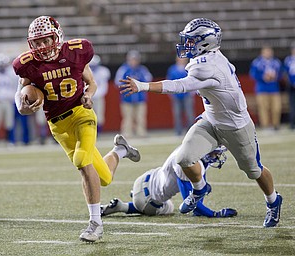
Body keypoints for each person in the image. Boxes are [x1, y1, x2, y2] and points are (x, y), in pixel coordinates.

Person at [119, 18, 282, 228]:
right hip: (211, 120)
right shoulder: (207, 58)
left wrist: (143, 86)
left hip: (236, 126)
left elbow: (179, 86)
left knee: (254, 170)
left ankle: (273, 201)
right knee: (184, 158)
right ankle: (199, 189)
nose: (186, 45)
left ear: (205, 43)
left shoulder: (209, 66)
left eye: (191, 40)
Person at [12, 16, 141, 242]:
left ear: (57, 36)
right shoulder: (27, 64)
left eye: (46, 40)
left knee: (82, 162)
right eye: (37, 42)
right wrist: (23, 107)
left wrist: (88, 97)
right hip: (58, 125)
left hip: (82, 115)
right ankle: (120, 151)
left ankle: (95, 224)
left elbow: (91, 83)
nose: (42, 46)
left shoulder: (76, 51)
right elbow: (19, 94)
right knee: (104, 178)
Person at [101, 144, 237, 218]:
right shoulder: (187, 162)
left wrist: (203, 187)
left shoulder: (190, 150)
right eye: (215, 153)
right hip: (148, 198)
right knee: (169, 207)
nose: (217, 156)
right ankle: (127, 206)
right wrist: (214, 214)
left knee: (166, 196)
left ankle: (121, 205)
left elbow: (198, 185)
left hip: (145, 179)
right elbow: (190, 205)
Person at [114, 50, 153, 138]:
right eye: (132, 59)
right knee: (127, 117)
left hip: (140, 98)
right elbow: (117, 82)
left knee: (140, 117)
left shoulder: (142, 69)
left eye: (135, 59)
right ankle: (127, 133)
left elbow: (149, 80)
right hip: (127, 98)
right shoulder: (123, 69)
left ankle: (141, 132)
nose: (134, 61)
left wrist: (139, 83)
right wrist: (128, 84)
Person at [249, 46, 283, 131]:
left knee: (277, 108)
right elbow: (252, 74)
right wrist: (263, 77)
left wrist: (276, 77)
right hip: (262, 89)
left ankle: (276, 125)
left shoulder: (276, 62)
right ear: (262, 53)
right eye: (266, 51)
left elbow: (281, 74)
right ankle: (266, 126)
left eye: (269, 51)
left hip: (274, 89)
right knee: (263, 109)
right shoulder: (257, 62)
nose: (268, 53)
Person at [167, 56, 195, 135]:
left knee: (189, 114)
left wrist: (192, 92)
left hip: (187, 95)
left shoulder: (189, 68)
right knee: (177, 114)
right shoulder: (172, 69)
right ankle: (178, 131)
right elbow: (169, 82)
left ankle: (190, 131)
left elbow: (193, 81)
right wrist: (171, 94)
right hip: (176, 95)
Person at [89, 54, 111, 134]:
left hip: (98, 96)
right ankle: (90, 132)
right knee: (87, 115)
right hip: (89, 96)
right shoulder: (86, 71)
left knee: (99, 115)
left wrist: (97, 94)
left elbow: (104, 85)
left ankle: (98, 132)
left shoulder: (103, 71)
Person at [283, 43, 295, 130]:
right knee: (292, 105)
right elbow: (285, 73)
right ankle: (292, 123)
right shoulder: (288, 60)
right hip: (291, 86)